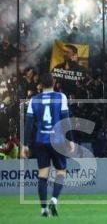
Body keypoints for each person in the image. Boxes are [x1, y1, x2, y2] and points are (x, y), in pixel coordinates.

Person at [21, 72, 72, 218]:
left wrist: (25, 145)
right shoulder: (60, 97)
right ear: (54, 82)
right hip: (57, 141)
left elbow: (29, 124)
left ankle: (43, 209)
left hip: (40, 141)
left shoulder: (33, 100)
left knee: (43, 174)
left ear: (40, 85)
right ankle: (54, 200)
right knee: (61, 172)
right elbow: (66, 120)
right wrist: (70, 140)